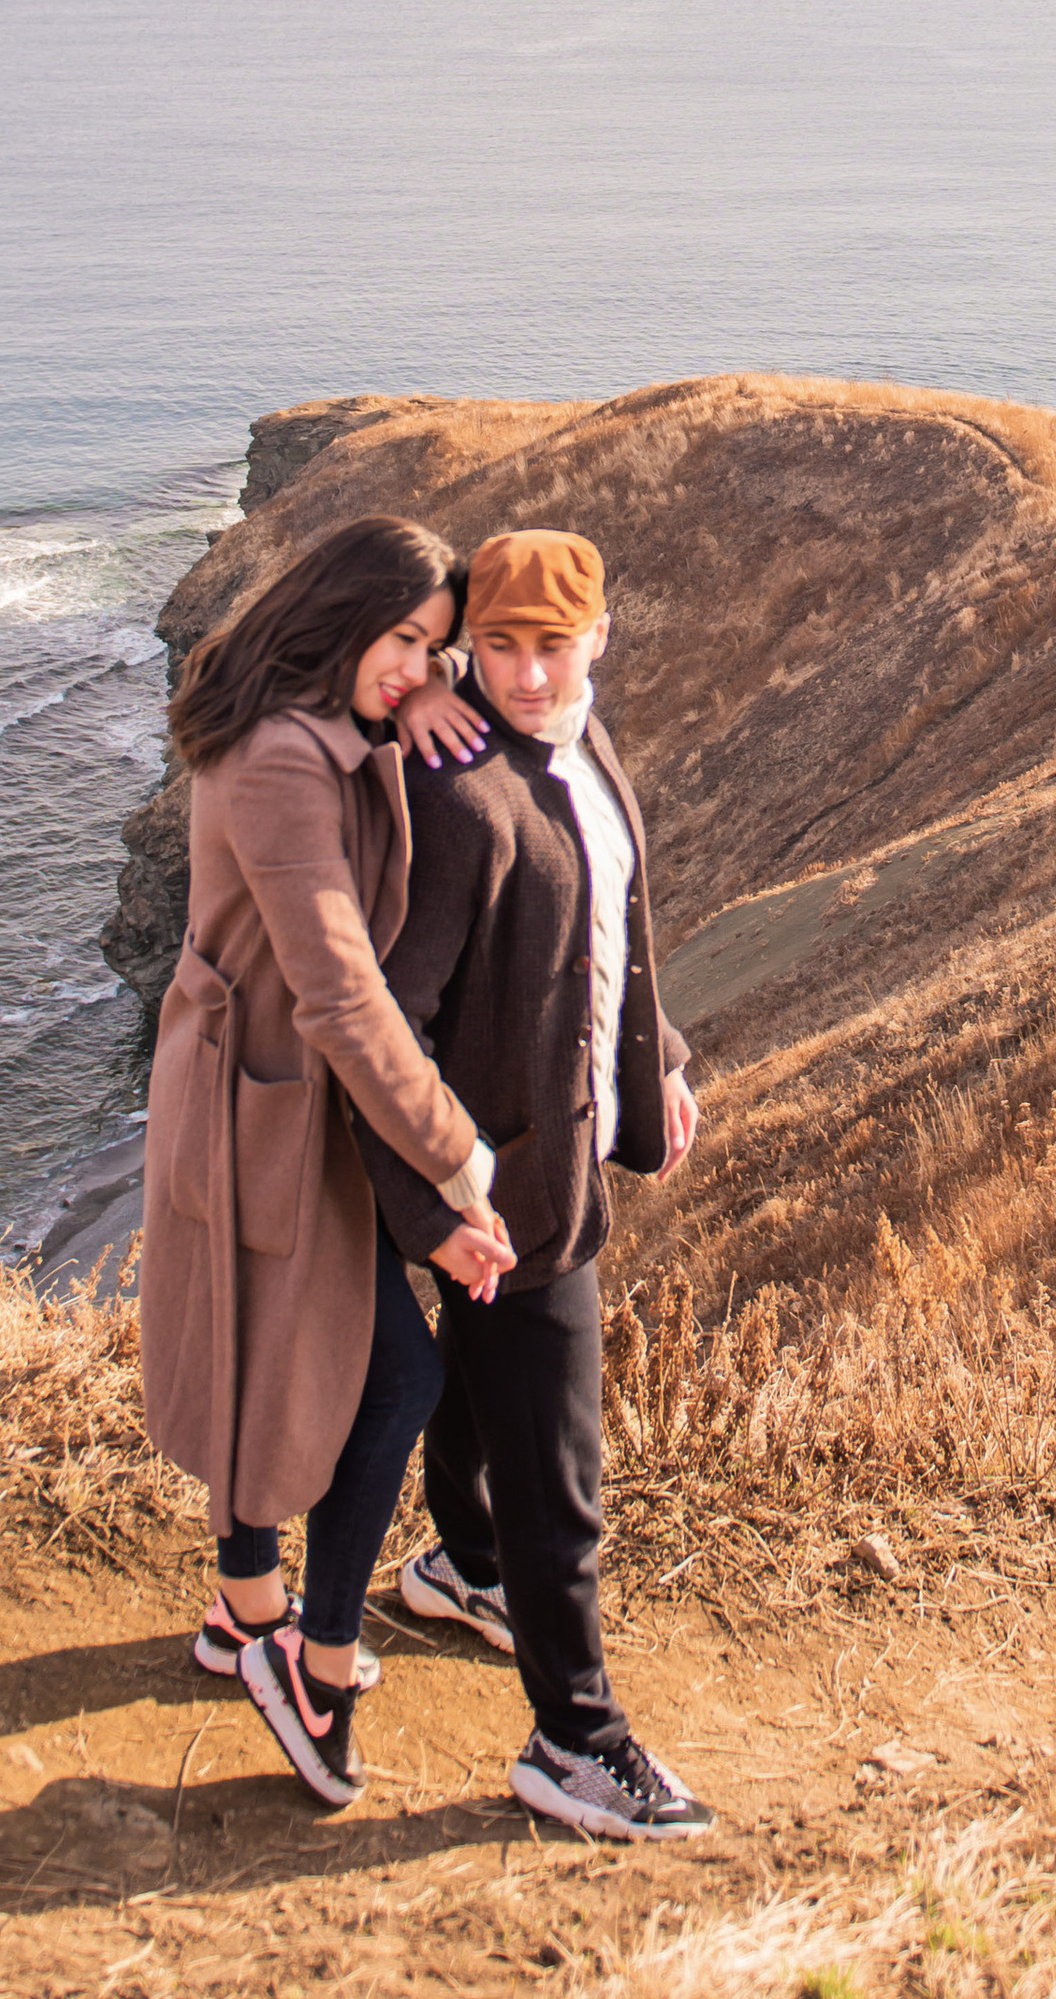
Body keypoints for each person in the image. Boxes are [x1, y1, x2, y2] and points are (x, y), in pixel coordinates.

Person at [137, 513, 516, 1809]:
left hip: (277, 1100)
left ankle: (247, 1605)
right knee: (391, 1375)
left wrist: (416, 691)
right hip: (269, 1102)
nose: (423, 664)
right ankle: (306, 1648)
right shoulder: (282, 763)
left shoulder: (314, 718)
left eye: (434, 644)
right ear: (344, 616)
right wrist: (457, 1153)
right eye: (404, 639)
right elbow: (344, 993)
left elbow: (419, 680)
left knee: (266, 1340)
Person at [355, 525, 713, 1842]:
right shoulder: (458, 787)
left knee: (484, 1388)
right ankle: (576, 1740)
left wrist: (658, 1059)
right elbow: (389, 1019)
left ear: (598, 638)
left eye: (547, 644)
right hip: (505, 1194)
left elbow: (614, 920)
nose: (520, 670)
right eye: (493, 645)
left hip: (565, 1152)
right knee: (563, 1468)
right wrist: (435, 1207)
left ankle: (464, 1561)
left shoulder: (586, 741)